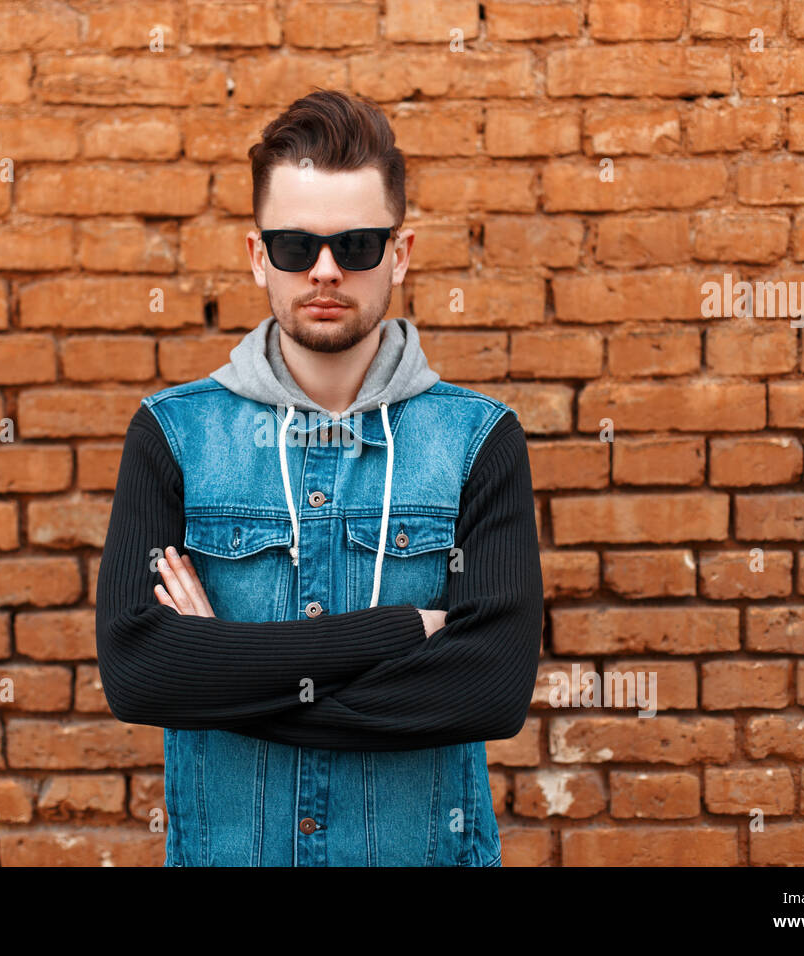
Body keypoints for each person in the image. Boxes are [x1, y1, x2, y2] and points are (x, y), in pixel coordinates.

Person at [95, 88, 544, 867]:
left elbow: (491, 691)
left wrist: (219, 668)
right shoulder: (174, 436)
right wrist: (402, 632)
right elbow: (139, 676)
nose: (327, 271)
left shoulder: (478, 441)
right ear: (257, 255)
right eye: (297, 247)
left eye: (358, 245)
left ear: (399, 254)